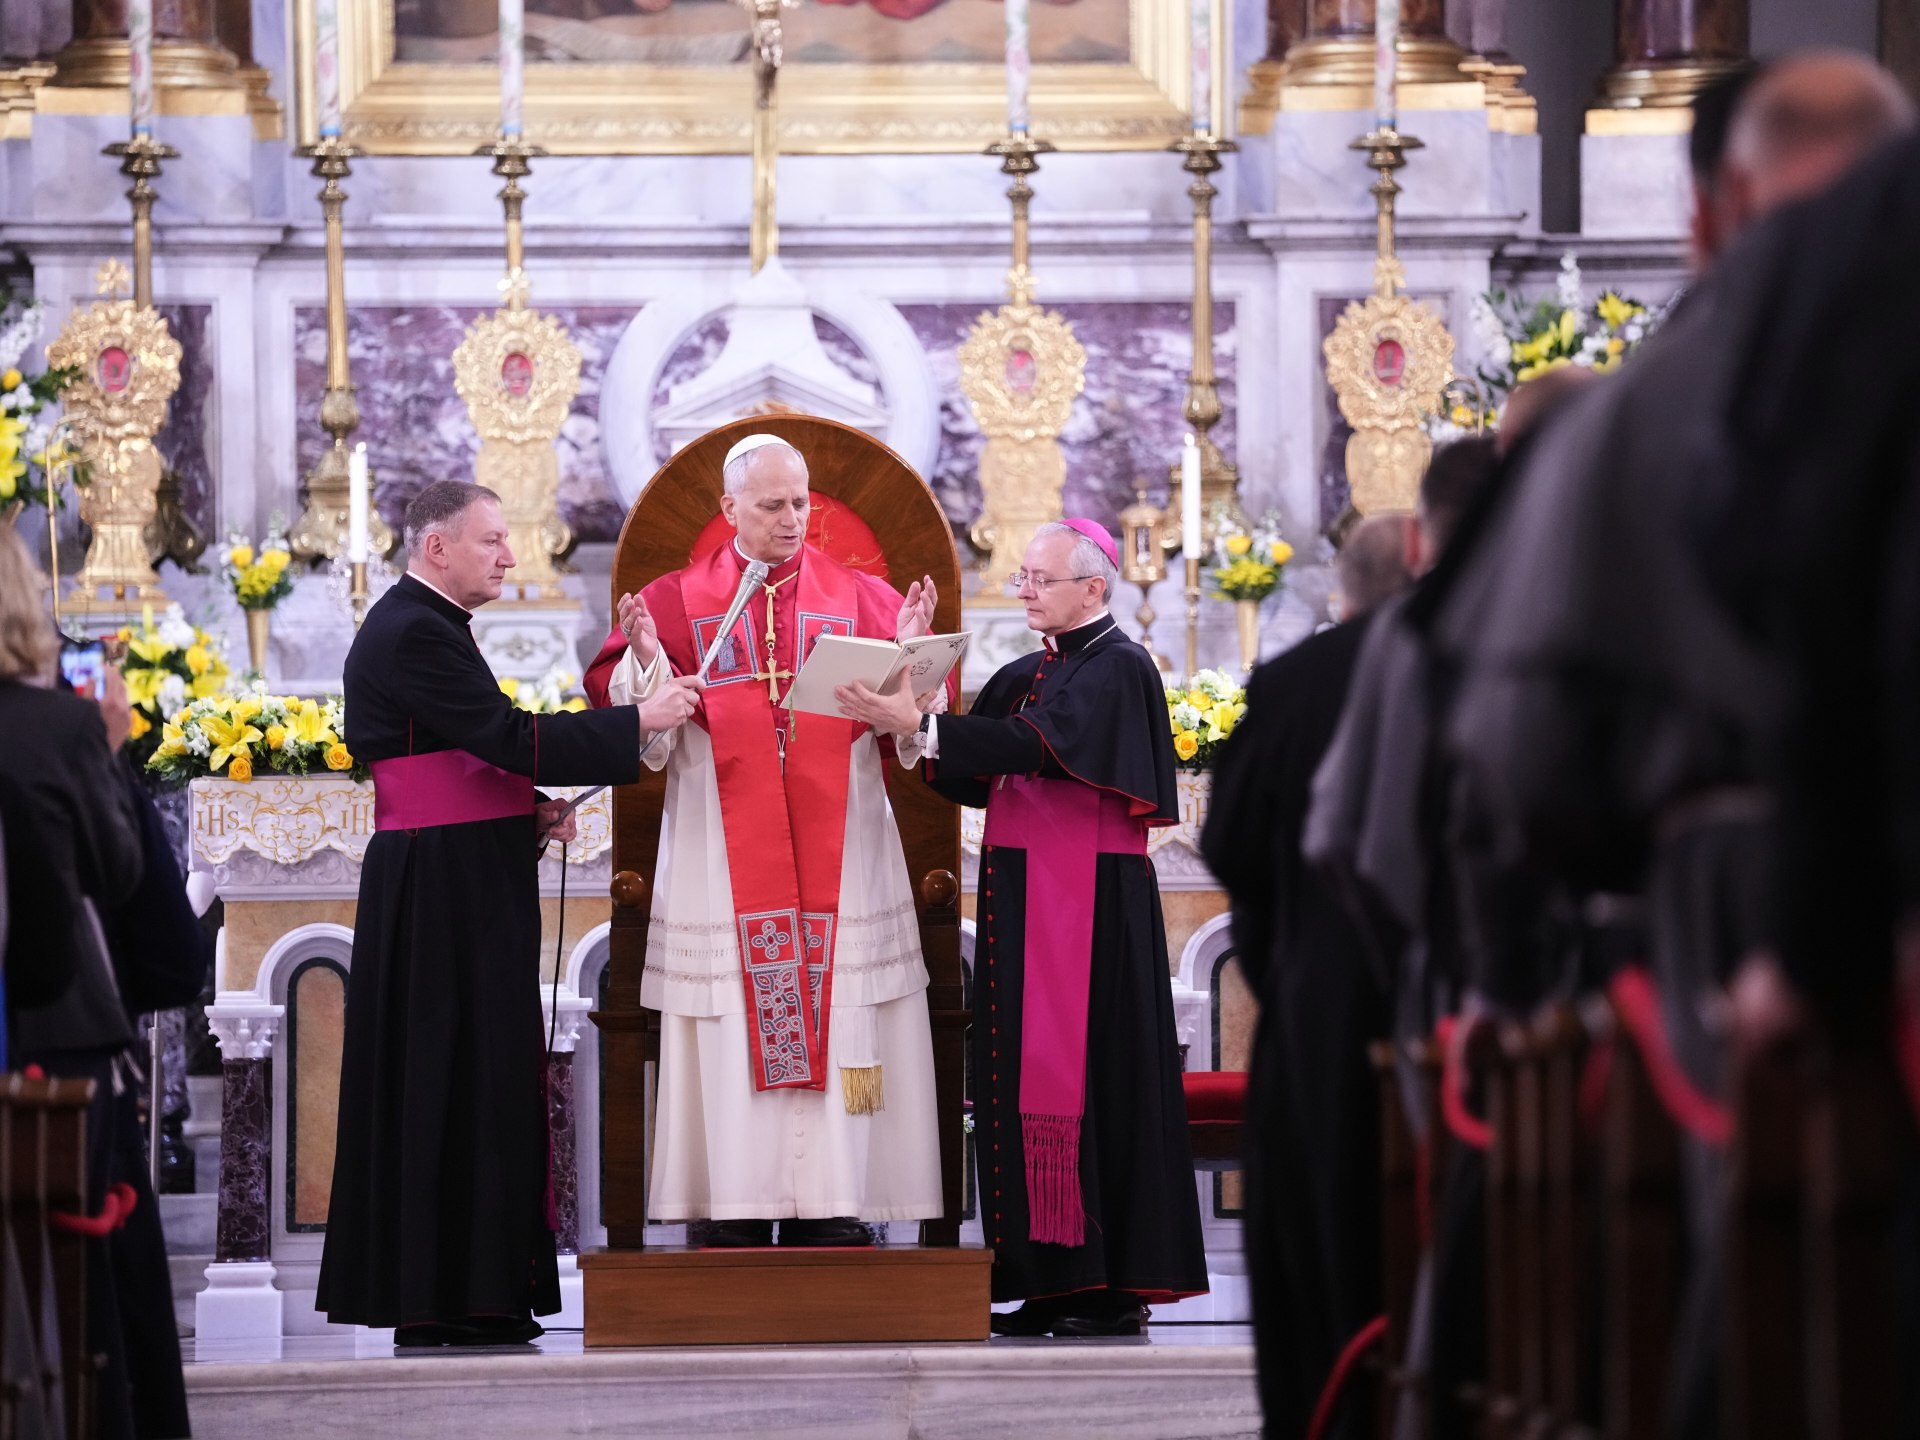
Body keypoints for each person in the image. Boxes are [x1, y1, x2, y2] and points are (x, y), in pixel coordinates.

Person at [1434, 51, 1915, 1436]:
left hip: (1723, 941)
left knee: (1762, 1322)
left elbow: (1517, 756)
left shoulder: (1635, 416)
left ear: (1712, 213)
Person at [316, 480, 702, 1347]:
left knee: (477, 1077)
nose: (510, 556)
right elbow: (505, 735)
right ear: (437, 547)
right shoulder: (414, 628)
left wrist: (518, 809)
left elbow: (455, 756)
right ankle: (444, 1298)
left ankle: (473, 1293)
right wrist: (638, 720)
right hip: (439, 892)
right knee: (450, 1077)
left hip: (456, 875)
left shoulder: (429, 623)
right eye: (491, 540)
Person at [838, 518, 1209, 1337]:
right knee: (1013, 1080)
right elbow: (968, 769)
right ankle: (1043, 1279)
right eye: (1024, 577)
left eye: (1041, 579)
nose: (1025, 590)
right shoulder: (1025, 671)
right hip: (1022, 894)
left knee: (1097, 1081)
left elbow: (1040, 744)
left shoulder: (1120, 666)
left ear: (1093, 587)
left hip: (1092, 909)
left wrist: (920, 723)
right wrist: (915, 684)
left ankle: (1104, 1288)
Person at [581, 434, 944, 1246]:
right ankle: (733, 1202)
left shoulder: (864, 597)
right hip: (720, 847)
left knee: (844, 1009)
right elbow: (625, 709)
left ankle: (835, 1199)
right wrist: (648, 666)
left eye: (800, 502)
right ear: (730, 508)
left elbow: (917, 723)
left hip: (845, 845)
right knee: (728, 1015)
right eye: (772, 504)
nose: (791, 518)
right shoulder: (675, 603)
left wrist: (914, 660)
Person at [1199, 512, 1411, 1438]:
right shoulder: (1472, 663)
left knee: (1320, 1236)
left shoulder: (1293, 681)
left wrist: (1284, 947)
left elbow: (1230, 843)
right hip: (1457, 1000)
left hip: (1323, 1002)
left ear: (1342, 592)